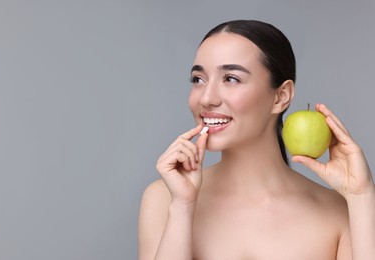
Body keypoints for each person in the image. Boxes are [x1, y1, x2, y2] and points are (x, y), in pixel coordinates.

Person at [138, 20, 375, 259]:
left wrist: (361, 196)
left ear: (281, 97)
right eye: (198, 79)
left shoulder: (338, 212)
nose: (206, 98)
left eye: (231, 78)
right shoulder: (165, 198)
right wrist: (182, 207)